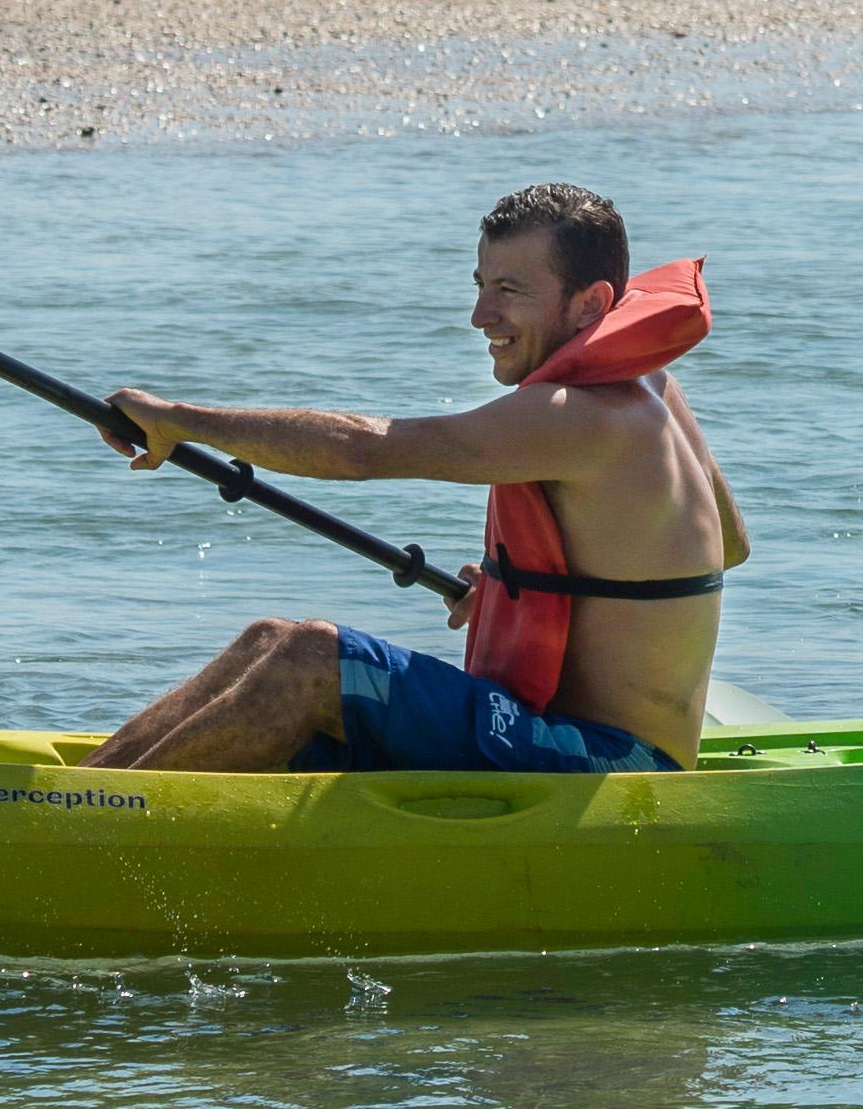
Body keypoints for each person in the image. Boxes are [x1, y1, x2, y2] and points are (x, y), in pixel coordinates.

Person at [79, 180, 747, 777]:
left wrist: (176, 420)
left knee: (311, 658)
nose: (480, 316)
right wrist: (534, 597)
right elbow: (727, 545)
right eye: (480, 284)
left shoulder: (582, 418)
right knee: (268, 640)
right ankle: (84, 794)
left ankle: (70, 830)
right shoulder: (656, 388)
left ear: (589, 304)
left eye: (509, 291)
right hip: (580, 740)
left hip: (616, 765)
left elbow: (365, 450)